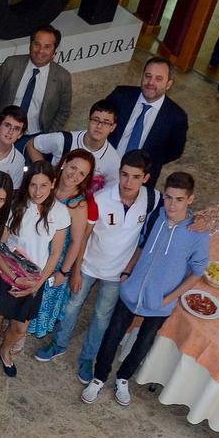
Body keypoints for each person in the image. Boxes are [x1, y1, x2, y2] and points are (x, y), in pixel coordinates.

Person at [83, 172, 208, 407]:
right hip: (132, 291)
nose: (172, 204)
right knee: (112, 336)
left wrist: (168, 299)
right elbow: (141, 246)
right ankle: (99, 378)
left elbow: (198, 272)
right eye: (169, 198)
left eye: (179, 199)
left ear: (190, 199)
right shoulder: (157, 217)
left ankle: (123, 378)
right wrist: (127, 273)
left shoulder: (198, 234)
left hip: (160, 302)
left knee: (143, 343)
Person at [36, 151, 158, 383]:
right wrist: (77, 269)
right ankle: (58, 344)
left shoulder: (152, 199)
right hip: (90, 265)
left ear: (146, 178)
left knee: (102, 317)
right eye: (124, 175)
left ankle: (87, 358)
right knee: (72, 307)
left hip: (117, 273)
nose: (128, 182)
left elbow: (177, 207)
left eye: (135, 177)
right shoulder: (100, 199)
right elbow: (83, 237)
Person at [0, 160, 71, 378]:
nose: (37, 191)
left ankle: (5, 350)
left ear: (53, 183)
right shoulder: (14, 205)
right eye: (33, 184)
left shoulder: (60, 212)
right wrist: (13, 276)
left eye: (43, 185)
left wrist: (37, 284)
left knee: (20, 327)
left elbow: (55, 253)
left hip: (34, 279)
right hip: (7, 272)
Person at [28, 150, 99, 339]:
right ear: (64, 163)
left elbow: (77, 241)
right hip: (34, 247)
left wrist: (64, 272)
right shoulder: (47, 185)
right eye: (73, 167)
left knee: (42, 297)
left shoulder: (78, 204)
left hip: (57, 259)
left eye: (81, 173)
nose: (74, 175)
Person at [106, 57, 188, 185]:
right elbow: (100, 120)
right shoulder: (120, 95)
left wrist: (150, 162)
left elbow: (175, 151)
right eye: (148, 76)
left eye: (158, 79)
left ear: (168, 84)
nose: (151, 82)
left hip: (139, 181)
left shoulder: (176, 117)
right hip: (105, 165)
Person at [0, 24, 72, 138]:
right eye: (37, 44)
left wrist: (47, 138)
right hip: (2, 132)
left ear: (54, 51)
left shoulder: (63, 77)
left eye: (47, 47)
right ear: (30, 45)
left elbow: (63, 111)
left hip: (35, 137)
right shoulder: (11, 64)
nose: (40, 51)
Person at [25, 99, 122, 193]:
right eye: (95, 120)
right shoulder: (64, 140)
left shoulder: (114, 161)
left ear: (112, 127)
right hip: (50, 197)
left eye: (106, 123)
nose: (99, 126)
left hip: (81, 206)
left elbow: (110, 193)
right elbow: (32, 144)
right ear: (88, 120)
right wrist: (45, 173)